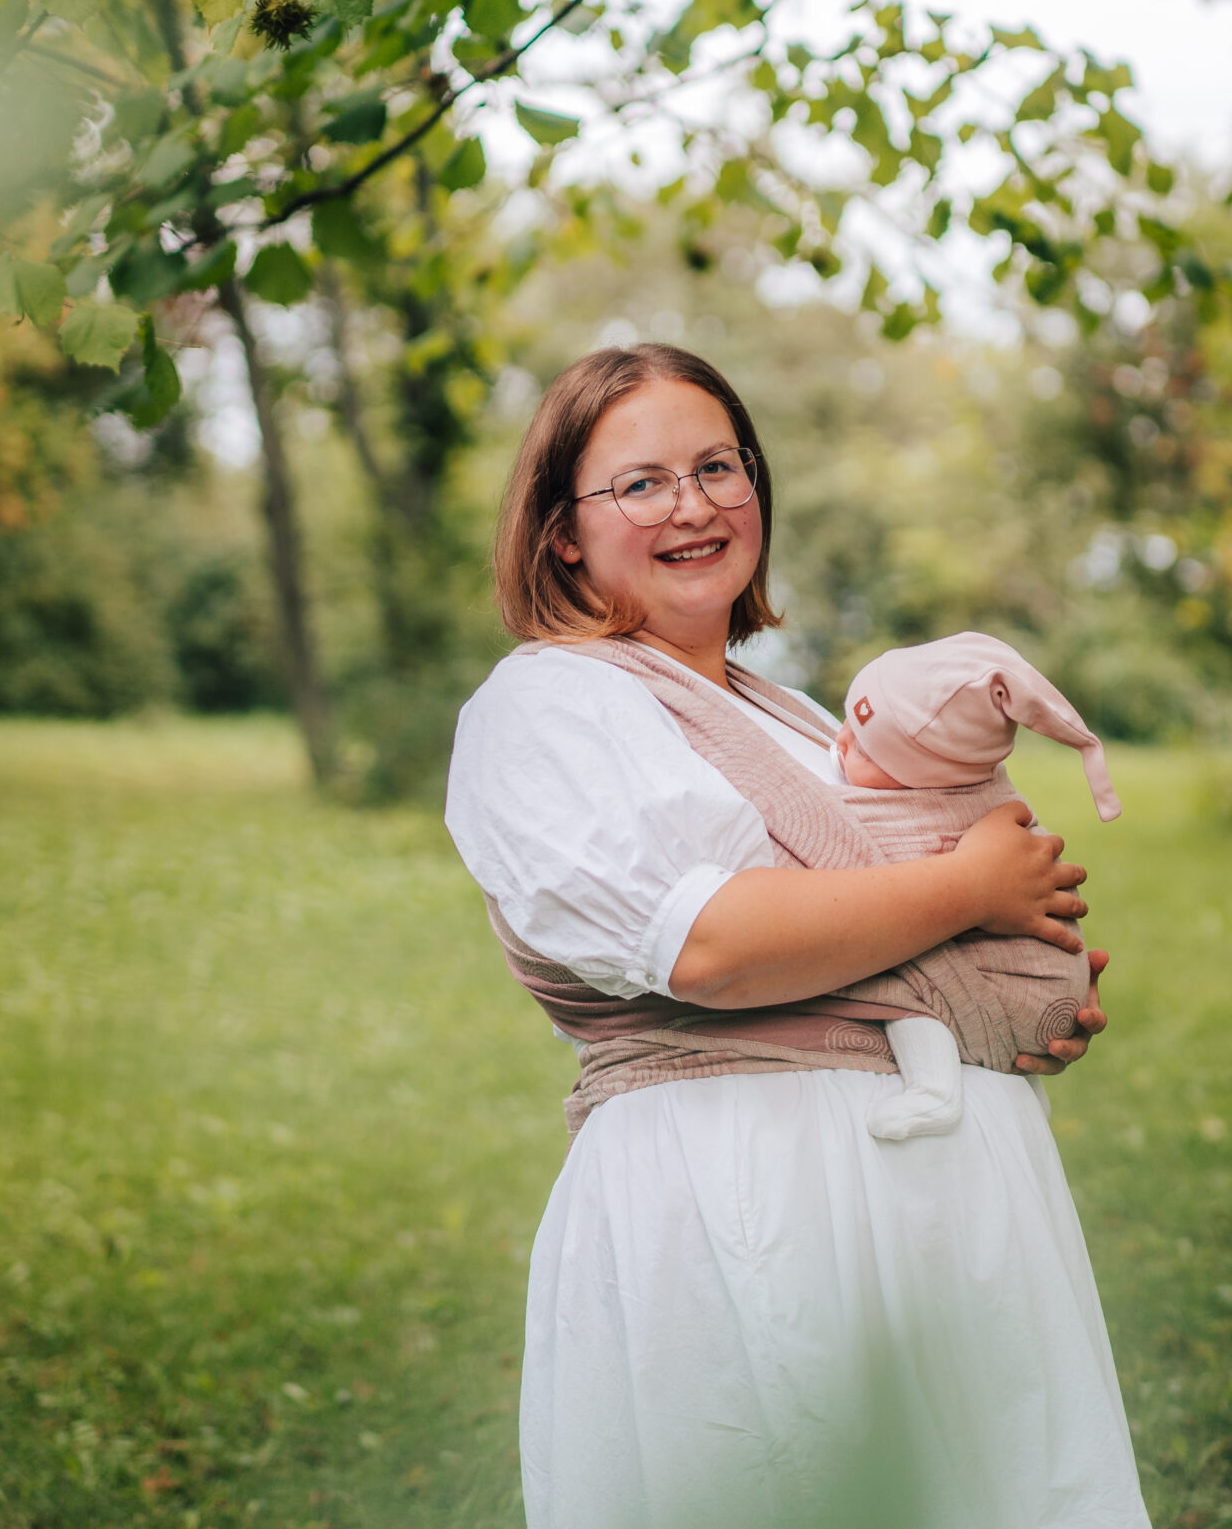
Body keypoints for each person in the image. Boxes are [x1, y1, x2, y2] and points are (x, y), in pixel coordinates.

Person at [444, 344, 1149, 1529]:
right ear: (560, 532)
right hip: (748, 1204)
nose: (693, 506)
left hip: (950, 1224)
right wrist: (970, 891)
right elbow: (708, 944)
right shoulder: (550, 704)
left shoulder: (804, 721)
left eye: (718, 467)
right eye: (642, 482)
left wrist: (1003, 1004)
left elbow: (872, 933)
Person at [831, 630, 1124, 1143]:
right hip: (1056, 988)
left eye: (866, 751)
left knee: (897, 980)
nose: (839, 743)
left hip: (1020, 990)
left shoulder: (918, 814)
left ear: (919, 777)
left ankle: (935, 1089)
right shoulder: (981, 788)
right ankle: (1016, 1079)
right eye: (849, 726)